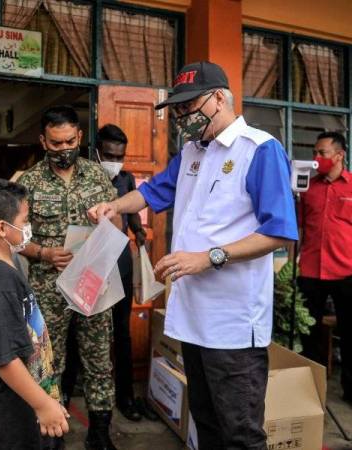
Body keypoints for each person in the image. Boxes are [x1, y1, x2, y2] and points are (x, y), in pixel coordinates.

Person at [89, 61, 298, 450]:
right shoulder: (190, 154)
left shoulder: (259, 150)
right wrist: (114, 207)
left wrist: (209, 257)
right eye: (178, 110)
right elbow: (152, 193)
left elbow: (279, 231)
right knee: (205, 423)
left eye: (189, 107)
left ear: (219, 98)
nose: (182, 117)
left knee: (240, 432)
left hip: (233, 322)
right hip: (193, 318)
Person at [18, 106, 121, 450]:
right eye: (55, 143)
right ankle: (53, 430)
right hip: (48, 287)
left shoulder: (97, 177)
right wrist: (44, 253)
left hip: (93, 284)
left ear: (79, 136)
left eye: (69, 141)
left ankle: (100, 432)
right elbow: (15, 237)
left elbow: (117, 225)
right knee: (50, 361)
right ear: (43, 141)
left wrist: (107, 224)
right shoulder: (29, 182)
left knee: (98, 360)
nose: (64, 149)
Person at [0, 178, 69, 450]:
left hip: (11, 409)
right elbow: (4, 358)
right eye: (24, 220)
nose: (27, 228)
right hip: (8, 418)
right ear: (2, 228)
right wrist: (43, 404)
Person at [62, 124, 146, 422]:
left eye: (120, 156)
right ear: (96, 152)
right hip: (90, 266)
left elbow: (133, 209)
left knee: (121, 333)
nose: (115, 161)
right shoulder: (80, 178)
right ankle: (64, 398)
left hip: (119, 262)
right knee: (76, 331)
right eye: (109, 155)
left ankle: (125, 397)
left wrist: (138, 231)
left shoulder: (125, 179)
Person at [298, 131, 352, 405]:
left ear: (340, 155)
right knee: (309, 334)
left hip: (347, 272)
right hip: (310, 271)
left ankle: (351, 391)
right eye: (314, 153)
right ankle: (312, 389)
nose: (316, 158)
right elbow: (296, 224)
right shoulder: (308, 188)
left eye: (322, 153)